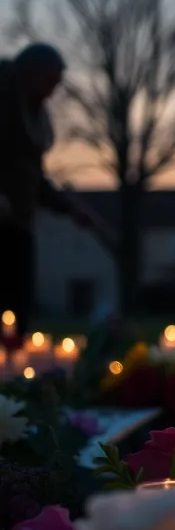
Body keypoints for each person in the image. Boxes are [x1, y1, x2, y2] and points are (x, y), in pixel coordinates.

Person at [0, 42, 96, 341]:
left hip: (18, 225)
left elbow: (32, 179)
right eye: (52, 80)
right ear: (31, 73)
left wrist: (67, 207)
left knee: (18, 309)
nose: (55, 89)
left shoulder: (33, 118)